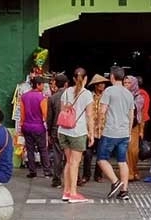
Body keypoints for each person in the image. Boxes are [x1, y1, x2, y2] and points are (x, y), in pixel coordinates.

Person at [97, 66, 134, 201]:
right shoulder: (128, 93)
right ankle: (124, 191)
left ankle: (115, 181)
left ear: (112, 77)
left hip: (110, 131)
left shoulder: (109, 91)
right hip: (124, 132)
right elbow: (131, 115)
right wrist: (129, 132)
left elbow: (102, 111)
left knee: (101, 159)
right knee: (122, 161)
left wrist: (99, 127)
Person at [57, 68, 94, 203]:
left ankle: (66, 191)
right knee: (75, 163)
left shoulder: (66, 92)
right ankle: (73, 193)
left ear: (73, 79)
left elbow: (62, 111)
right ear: (85, 79)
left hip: (63, 130)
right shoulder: (87, 94)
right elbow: (90, 116)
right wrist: (91, 133)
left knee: (68, 161)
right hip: (77, 132)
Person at [19, 76, 51, 179]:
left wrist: (22, 125)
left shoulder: (23, 97)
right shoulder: (42, 98)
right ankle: (46, 171)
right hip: (38, 127)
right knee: (43, 149)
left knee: (30, 149)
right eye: (42, 84)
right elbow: (45, 115)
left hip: (26, 126)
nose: (43, 87)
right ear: (38, 85)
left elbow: (22, 115)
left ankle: (32, 171)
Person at [82, 74, 109, 184]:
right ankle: (86, 175)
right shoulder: (89, 96)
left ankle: (98, 175)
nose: (102, 86)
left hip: (103, 129)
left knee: (101, 154)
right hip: (91, 129)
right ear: (95, 86)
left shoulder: (106, 96)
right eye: (100, 84)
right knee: (88, 154)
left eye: (103, 84)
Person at [46, 73, 68, 188]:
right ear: (66, 84)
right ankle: (74, 178)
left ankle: (56, 180)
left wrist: (49, 132)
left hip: (56, 129)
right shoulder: (72, 96)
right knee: (71, 156)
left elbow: (49, 118)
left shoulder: (52, 98)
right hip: (71, 129)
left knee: (57, 155)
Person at [123, 75, 144, 181]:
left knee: (133, 151)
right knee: (125, 150)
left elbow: (138, 110)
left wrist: (142, 130)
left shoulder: (139, 97)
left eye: (129, 83)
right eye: (125, 83)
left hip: (134, 126)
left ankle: (134, 170)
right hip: (123, 125)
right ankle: (130, 173)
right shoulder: (121, 95)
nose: (126, 85)